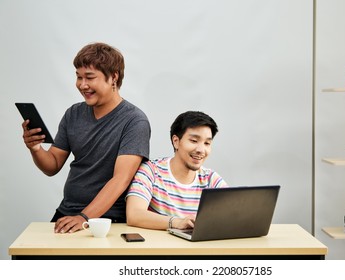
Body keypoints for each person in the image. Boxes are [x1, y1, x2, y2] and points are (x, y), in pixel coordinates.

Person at [21, 42, 151, 234]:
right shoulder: (73, 114)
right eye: (78, 77)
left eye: (90, 77)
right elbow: (52, 165)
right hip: (68, 212)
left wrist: (84, 218)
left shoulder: (134, 121)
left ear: (113, 77)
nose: (82, 85)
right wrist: (35, 148)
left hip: (109, 219)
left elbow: (121, 179)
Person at [126, 111, 227, 230]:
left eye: (207, 143)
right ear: (176, 141)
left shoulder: (210, 179)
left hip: (198, 248)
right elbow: (134, 214)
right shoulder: (151, 171)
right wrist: (176, 222)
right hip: (161, 246)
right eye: (194, 141)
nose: (201, 150)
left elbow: (233, 213)